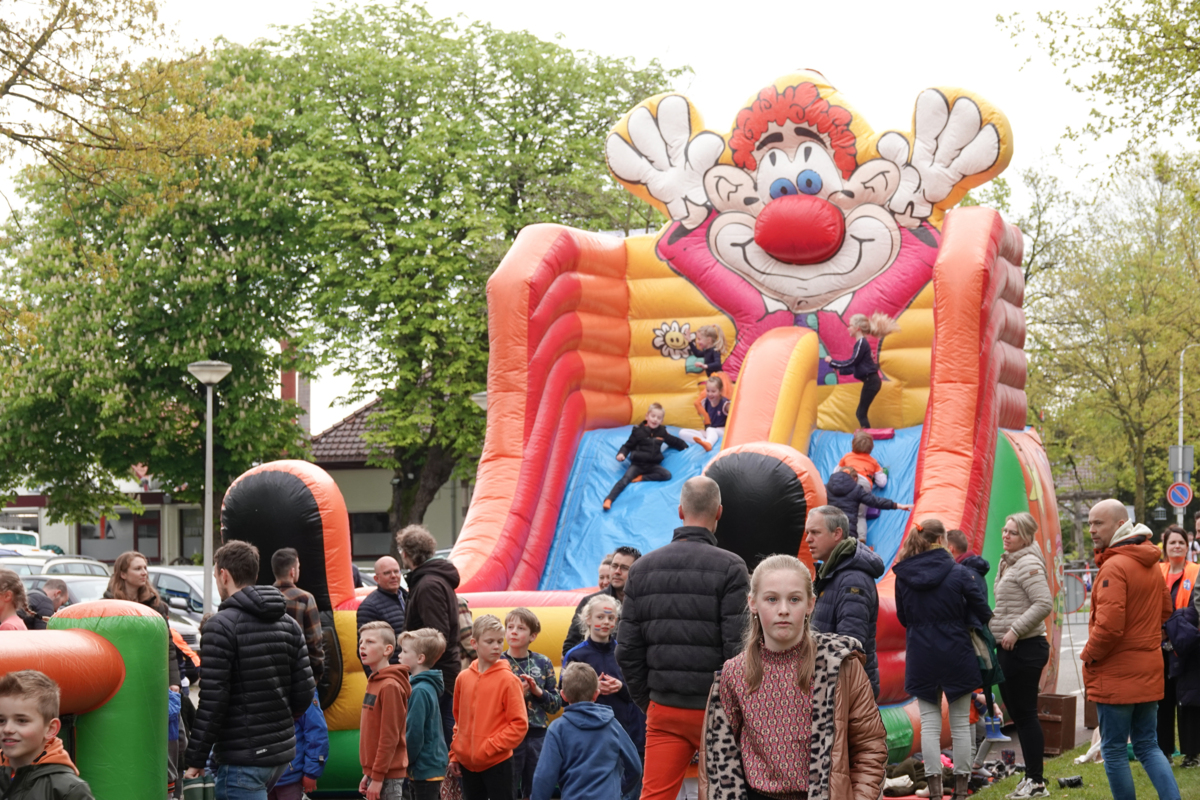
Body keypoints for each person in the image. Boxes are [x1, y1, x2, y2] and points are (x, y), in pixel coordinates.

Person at [707, 554, 887, 800]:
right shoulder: (735, 673)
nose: (783, 610)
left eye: (794, 599)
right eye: (771, 599)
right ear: (753, 603)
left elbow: (869, 748)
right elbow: (718, 757)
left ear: (810, 604)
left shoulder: (840, 667)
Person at [617, 476, 750, 800]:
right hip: (717, 708)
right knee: (725, 794)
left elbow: (627, 649)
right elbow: (738, 649)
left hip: (663, 706)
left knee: (655, 795)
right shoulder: (732, 567)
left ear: (679, 511)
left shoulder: (643, 568)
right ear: (719, 512)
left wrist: (648, 701)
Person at [183, 540, 316, 799]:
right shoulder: (288, 623)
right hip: (279, 755)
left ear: (224, 575)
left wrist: (196, 759)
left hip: (242, 759)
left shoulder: (220, 626)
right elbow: (305, 692)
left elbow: (213, 699)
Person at [1081, 499, 1179, 800]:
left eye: (1099, 523)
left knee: (1113, 749)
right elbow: (1167, 610)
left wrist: (1088, 656)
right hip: (1148, 670)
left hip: (1116, 675)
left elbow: (1109, 627)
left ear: (1120, 523)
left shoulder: (1115, 565)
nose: (1092, 530)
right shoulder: (1149, 563)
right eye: (1089, 523)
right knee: (1148, 744)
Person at [893, 519, 992, 800]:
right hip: (956, 652)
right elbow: (981, 610)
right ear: (941, 541)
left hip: (921, 654)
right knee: (961, 724)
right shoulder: (958, 572)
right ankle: (960, 791)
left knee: (929, 723)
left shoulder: (903, 576)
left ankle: (935, 792)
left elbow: (902, 617)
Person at [989, 513, 1053, 799]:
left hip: (1025, 648)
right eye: (1004, 530)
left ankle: (1036, 781)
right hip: (1008, 648)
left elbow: (1044, 603)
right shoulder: (1010, 561)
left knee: (1026, 716)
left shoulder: (1027, 563)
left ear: (1026, 537)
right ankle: (1031, 778)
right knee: (1019, 714)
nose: (1005, 535)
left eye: (1012, 532)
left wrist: (1014, 630)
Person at [805, 505, 885, 698]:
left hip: (844, 693)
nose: (808, 539)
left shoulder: (852, 580)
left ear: (837, 534)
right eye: (807, 532)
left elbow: (849, 645)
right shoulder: (832, 574)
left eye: (815, 532)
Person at [530, 662, 641, 800]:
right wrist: (620, 789)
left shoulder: (558, 729)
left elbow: (544, 776)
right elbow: (635, 768)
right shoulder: (613, 725)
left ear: (563, 695)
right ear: (596, 694)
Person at [564, 595, 645, 777]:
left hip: (625, 731)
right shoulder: (576, 655)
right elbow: (566, 696)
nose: (606, 622)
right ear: (588, 619)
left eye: (610, 618)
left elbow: (639, 692)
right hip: (590, 734)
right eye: (600, 617)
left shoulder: (625, 653)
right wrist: (592, 688)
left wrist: (621, 687)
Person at [449, 615, 528, 800]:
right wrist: (455, 754)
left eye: (500, 641)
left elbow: (519, 725)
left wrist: (490, 746)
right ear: (474, 643)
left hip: (498, 763)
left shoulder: (509, 680)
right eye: (490, 641)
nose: (496, 646)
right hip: (467, 765)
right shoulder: (462, 678)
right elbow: (458, 720)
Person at [398, 525, 461, 750]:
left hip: (437, 674)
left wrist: (420, 665)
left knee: (440, 738)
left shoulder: (428, 585)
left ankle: (444, 784)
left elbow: (437, 635)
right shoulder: (430, 580)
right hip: (440, 671)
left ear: (405, 553)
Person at [946, 529, 1005, 742]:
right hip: (976, 634)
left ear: (951, 548)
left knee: (966, 703)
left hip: (968, 636)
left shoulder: (962, 573)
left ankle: (971, 759)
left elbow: (968, 606)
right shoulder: (974, 570)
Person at [0, 670, 95, 800]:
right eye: (1, 721)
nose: (7, 729)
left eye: (22, 720)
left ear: (50, 729)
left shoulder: (67, 789)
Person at [503, 609, 561, 800]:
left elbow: (555, 705)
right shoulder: (498, 662)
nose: (513, 632)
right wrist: (515, 693)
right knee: (508, 785)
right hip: (508, 734)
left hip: (537, 734)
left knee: (537, 787)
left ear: (533, 636)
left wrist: (538, 692)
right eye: (510, 627)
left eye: (520, 628)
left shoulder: (542, 662)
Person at [105, 551, 180, 690]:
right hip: (119, 678)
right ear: (123, 574)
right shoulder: (107, 605)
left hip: (150, 676)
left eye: (145, 568)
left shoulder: (155, 605)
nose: (144, 572)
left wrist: (173, 680)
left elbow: (167, 644)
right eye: (138, 569)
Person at [1159, 525, 1200, 767]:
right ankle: (1163, 751)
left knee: (1189, 699)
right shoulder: (1156, 571)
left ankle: (1192, 754)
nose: (1176, 546)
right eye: (1172, 542)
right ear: (1164, 546)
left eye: (1181, 543)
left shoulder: (1196, 572)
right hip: (1160, 644)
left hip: (1188, 645)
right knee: (1162, 700)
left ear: (1187, 547)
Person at [358, 620, 412, 800]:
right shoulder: (374, 681)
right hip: (378, 773)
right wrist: (369, 772)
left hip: (387, 775)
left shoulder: (390, 686)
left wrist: (378, 777)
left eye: (370, 642)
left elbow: (389, 736)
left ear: (387, 650)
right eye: (361, 642)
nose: (363, 646)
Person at [823, 311, 900, 430]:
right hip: (871, 381)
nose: (848, 328)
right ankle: (867, 435)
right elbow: (854, 366)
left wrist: (832, 361)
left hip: (871, 382)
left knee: (860, 413)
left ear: (857, 328)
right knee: (860, 412)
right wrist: (838, 369)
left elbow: (852, 361)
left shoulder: (861, 343)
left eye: (850, 326)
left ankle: (867, 437)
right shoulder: (861, 344)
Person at [604, 403, 688, 511]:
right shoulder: (638, 431)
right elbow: (628, 445)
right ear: (647, 416)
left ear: (661, 421)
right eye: (653, 416)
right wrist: (622, 454)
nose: (655, 420)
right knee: (625, 480)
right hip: (637, 464)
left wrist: (684, 446)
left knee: (667, 475)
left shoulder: (661, 432)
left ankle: (641, 478)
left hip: (652, 464)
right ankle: (609, 499)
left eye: (659, 418)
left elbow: (673, 440)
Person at [398, 628, 450, 800]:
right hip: (426, 766)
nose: (400, 655)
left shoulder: (420, 690)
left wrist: (405, 760)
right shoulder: (423, 686)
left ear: (420, 658)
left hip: (424, 767)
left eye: (405, 651)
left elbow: (414, 731)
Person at [561, 546, 640, 658]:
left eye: (624, 568)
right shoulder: (590, 602)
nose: (617, 572)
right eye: (614, 566)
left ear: (636, 571)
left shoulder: (644, 603)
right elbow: (570, 647)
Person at [272, 547, 325, 687]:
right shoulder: (304, 599)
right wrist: (317, 673)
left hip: (271, 676)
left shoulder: (263, 598)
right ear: (292, 571)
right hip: (300, 675)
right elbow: (315, 641)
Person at [268, 696, 328, 800]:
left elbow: (316, 732)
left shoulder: (301, 691)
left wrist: (311, 772)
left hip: (289, 777)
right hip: (258, 775)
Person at [824, 466, 912, 536]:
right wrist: (897, 505)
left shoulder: (826, 487)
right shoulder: (856, 490)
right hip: (848, 531)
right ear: (854, 479)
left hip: (829, 530)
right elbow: (875, 501)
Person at [358, 555, 407, 667]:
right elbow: (364, 650)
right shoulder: (369, 606)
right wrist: (378, 678)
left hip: (411, 671)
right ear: (376, 579)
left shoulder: (408, 597)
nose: (394, 576)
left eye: (396, 571)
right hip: (391, 673)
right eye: (387, 573)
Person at [839, 431, 887, 537]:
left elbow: (836, 472)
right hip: (863, 485)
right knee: (860, 516)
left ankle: (840, 536)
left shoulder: (847, 457)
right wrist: (882, 473)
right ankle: (861, 537)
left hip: (846, 481)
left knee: (841, 512)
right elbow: (882, 483)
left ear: (853, 444)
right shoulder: (873, 462)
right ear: (871, 448)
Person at [679, 376, 730, 453]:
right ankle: (704, 442)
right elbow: (706, 419)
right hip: (711, 432)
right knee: (682, 432)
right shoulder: (706, 402)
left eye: (713, 391)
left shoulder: (725, 404)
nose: (710, 394)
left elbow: (735, 415)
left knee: (710, 429)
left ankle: (708, 444)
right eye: (708, 390)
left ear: (720, 391)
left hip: (722, 432)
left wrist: (726, 428)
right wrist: (705, 432)